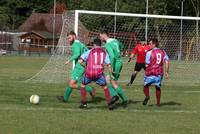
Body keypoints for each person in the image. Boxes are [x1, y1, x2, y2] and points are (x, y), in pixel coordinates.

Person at [78, 38, 118, 109]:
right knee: (105, 87)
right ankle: (109, 104)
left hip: (89, 72)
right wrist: (111, 73)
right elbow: (109, 64)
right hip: (99, 74)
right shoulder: (104, 52)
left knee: (83, 85)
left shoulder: (90, 51)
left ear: (94, 44)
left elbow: (80, 61)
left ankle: (84, 103)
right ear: (101, 45)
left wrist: (85, 66)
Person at [57, 31, 95, 102]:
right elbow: (88, 51)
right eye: (68, 38)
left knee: (71, 84)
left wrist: (69, 60)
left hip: (79, 67)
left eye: (70, 38)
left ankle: (90, 89)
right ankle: (65, 98)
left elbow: (77, 54)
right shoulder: (81, 44)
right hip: (81, 66)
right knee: (70, 81)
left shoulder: (75, 44)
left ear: (74, 36)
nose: (69, 40)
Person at [99, 31, 128, 107]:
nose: (100, 38)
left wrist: (111, 67)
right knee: (109, 80)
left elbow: (112, 56)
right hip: (119, 62)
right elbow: (122, 46)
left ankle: (117, 97)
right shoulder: (115, 40)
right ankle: (122, 99)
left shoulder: (107, 45)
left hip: (115, 64)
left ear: (103, 35)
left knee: (109, 82)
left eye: (100, 36)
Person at [143, 38, 169, 106]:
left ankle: (147, 96)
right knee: (157, 87)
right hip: (159, 73)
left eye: (150, 44)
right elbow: (167, 62)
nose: (149, 45)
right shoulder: (163, 52)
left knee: (145, 85)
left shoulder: (149, 53)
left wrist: (146, 70)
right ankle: (158, 103)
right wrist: (166, 72)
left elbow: (146, 64)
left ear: (154, 44)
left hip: (151, 73)